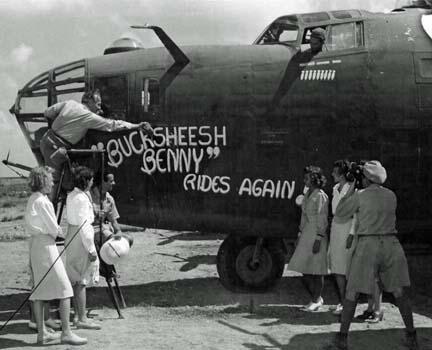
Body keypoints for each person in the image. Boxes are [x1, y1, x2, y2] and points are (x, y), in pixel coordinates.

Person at [324, 161, 418, 350]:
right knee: (399, 291)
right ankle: (411, 335)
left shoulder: (361, 195)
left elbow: (340, 212)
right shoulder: (391, 195)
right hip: (391, 244)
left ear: (365, 178)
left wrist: (352, 189)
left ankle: (342, 338)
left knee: (352, 292)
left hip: (368, 244)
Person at [39, 88, 153, 202]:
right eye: (98, 104)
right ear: (89, 101)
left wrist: (62, 123)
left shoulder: (70, 103)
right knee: (55, 184)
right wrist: (137, 126)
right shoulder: (88, 117)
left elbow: (48, 112)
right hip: (56, 148)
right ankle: (49, 212)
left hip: (46, 140)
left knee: (58, 181)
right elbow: (112, 125)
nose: (100, 108)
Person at [25, 166, 87, 345]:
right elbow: (54, 229)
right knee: (65, 289)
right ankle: (66, 333)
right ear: (43, 181)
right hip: (46, 247)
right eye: (50, 180)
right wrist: (60, 231)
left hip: (38, 246)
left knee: (39, 290)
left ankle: (42, 333)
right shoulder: (43, 201)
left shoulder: (33, 199)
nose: (53, 183)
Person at [288, 166, 329, 312]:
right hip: (306, 233)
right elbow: (303, 217)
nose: (304, 180)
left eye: (307, 178)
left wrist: (319, 238)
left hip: (317, 234)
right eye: (304, 177)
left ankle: (316, 299)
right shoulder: (307, 194)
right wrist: (300, 235)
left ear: (314, 179)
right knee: (304, 268)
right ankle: (317, 297)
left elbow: (322, 218)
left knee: (317, 269)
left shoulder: (321, 196)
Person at [65, 166, 101, 330]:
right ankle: (81, 318)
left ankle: (78, 315)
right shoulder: (80, 198)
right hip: (80, 238)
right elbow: (84, 226)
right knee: (81, 280)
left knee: (75, 278)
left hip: (72, 236)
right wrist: (92, 250)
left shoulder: (72, 195)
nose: (93, 182)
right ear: (86, 180)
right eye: (91, 179)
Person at [328, 160, 356, 316]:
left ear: (342, 174)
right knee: (337, 268)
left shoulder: (351, 190)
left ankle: (347, 304)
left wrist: (351, 233)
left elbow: (355, 214)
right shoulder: (335, 188)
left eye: (335, 172)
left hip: (347, 230)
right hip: (336, 229)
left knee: (344, 269)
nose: (332, 174)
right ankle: (343, 302)